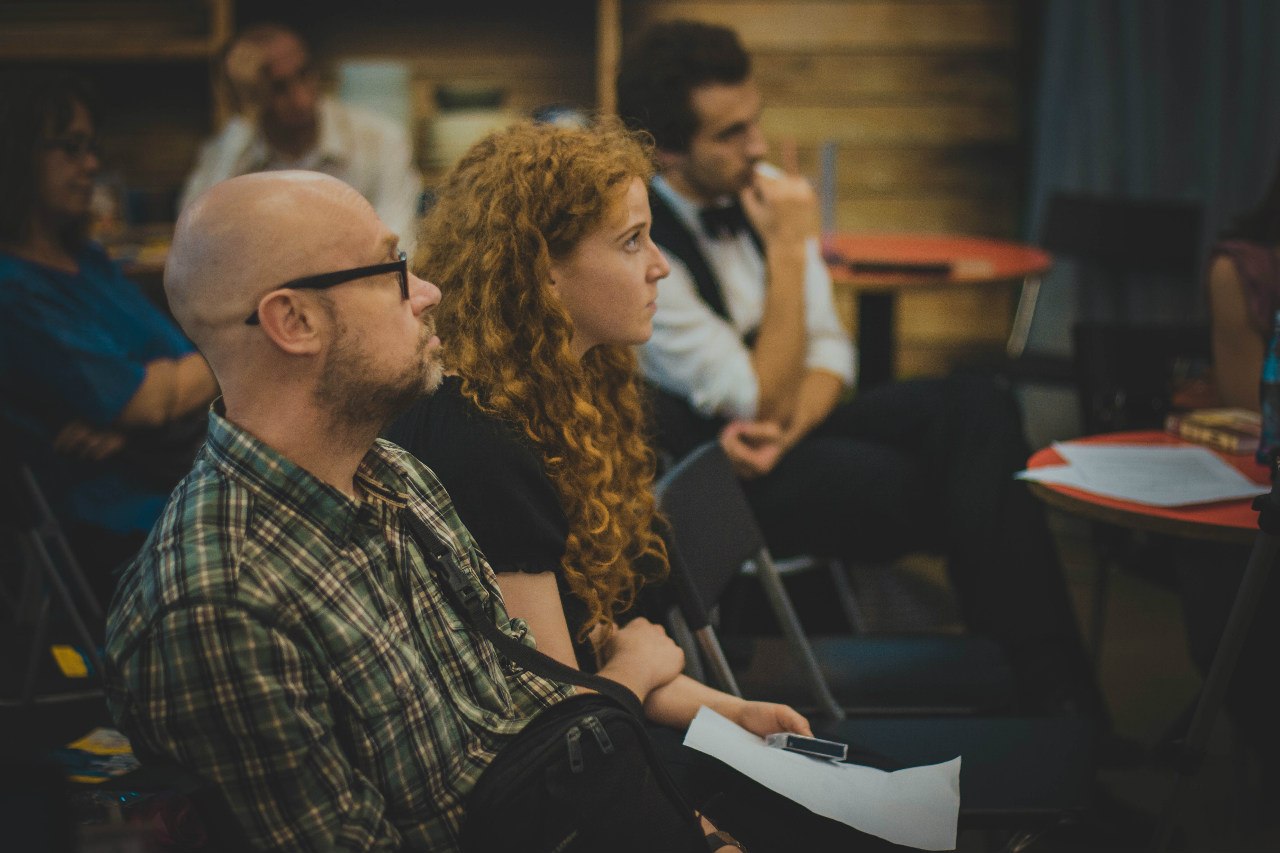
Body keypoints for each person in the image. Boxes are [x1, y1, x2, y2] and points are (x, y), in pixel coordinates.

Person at [104, 169, 701, 850]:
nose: (428, 292)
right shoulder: (221, 604)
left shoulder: (391, 473)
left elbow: (519, 706)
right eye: (393, 271)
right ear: (294, 321)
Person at [616, 20, 1108, 724]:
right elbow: (754, 392)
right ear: (667, 151)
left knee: (978, 403)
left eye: (754, 121)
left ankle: (1040, 699)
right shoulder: (647, 247)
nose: (757, 146)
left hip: (781, 442)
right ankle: (1054, 704)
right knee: (975, 491)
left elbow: (831, 356)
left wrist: (786, 429)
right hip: (729, 480)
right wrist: (789, 253)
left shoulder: (769, 194)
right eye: (730, 135)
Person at [387, 118, 818, 851]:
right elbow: (561, 725)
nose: (661, 267)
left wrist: (722, 711)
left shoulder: (559, 390)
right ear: (543, 271)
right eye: (631, 242)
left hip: (605, 736)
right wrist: (703, 827)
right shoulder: (480, 441)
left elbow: (591, 654)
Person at [0, 71, 217, 596]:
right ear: (17, 156)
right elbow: (147, 399)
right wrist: (222, 353)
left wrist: (149, 413)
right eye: (70, 148)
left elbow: (171, 369)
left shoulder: (87, 259)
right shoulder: (15, 288)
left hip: (178, 469)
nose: (91, 165)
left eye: (91, 147)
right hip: (127, 519)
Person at [177, 23, 422, 252]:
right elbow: (194, 243)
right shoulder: (233, 153)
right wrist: (244, 117)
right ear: (253, 96)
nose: (301, 99)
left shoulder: (380, 140)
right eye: (278, 87)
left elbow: (398, 247)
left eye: (304, 74)